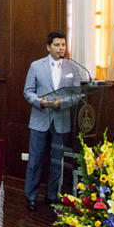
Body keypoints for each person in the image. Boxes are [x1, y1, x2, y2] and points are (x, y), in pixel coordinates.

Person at [23, 31, 81, 212]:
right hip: (40, 119)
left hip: (61, 119)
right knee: (35, 160)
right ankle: (31, 197)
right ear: (48, 47)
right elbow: (28, 92)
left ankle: (53, 195)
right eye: (57, 45)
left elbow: (76, 95)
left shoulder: (73, 68)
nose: (61, 48)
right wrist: (39, 102)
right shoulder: (36, 66)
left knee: (58, 161)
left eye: (63, 45)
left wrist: (61, 103)